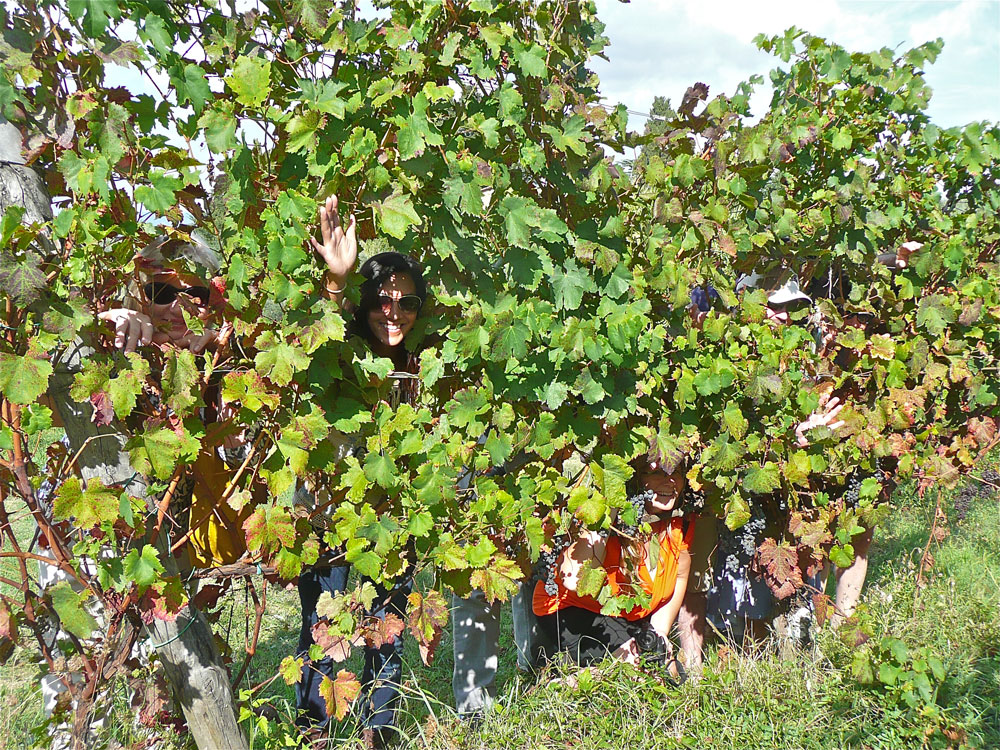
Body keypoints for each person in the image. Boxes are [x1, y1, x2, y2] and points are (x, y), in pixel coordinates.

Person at [298, 195, 426, 747]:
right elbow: (313, 337)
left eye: (406, 302)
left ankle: (378, 735)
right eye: (381, 298)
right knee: (322, 631)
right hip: (328, 514)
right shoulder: (342, 348)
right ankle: (314, 734)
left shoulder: (426, 365)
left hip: (392, 518)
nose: (392, 312)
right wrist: (337, 280)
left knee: (387, 631)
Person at [531, 452, 694, 674]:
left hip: (623, 614)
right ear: (633, 479)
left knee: (668, 670)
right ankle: (564, 681)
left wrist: (661, 633)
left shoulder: (678, 523)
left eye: (676, 472)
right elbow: (571, 578)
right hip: (572, 611)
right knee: (633, 668)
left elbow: (681, 576)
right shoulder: (608, 520)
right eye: (656, 472)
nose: (670, 481)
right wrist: (612, 505)